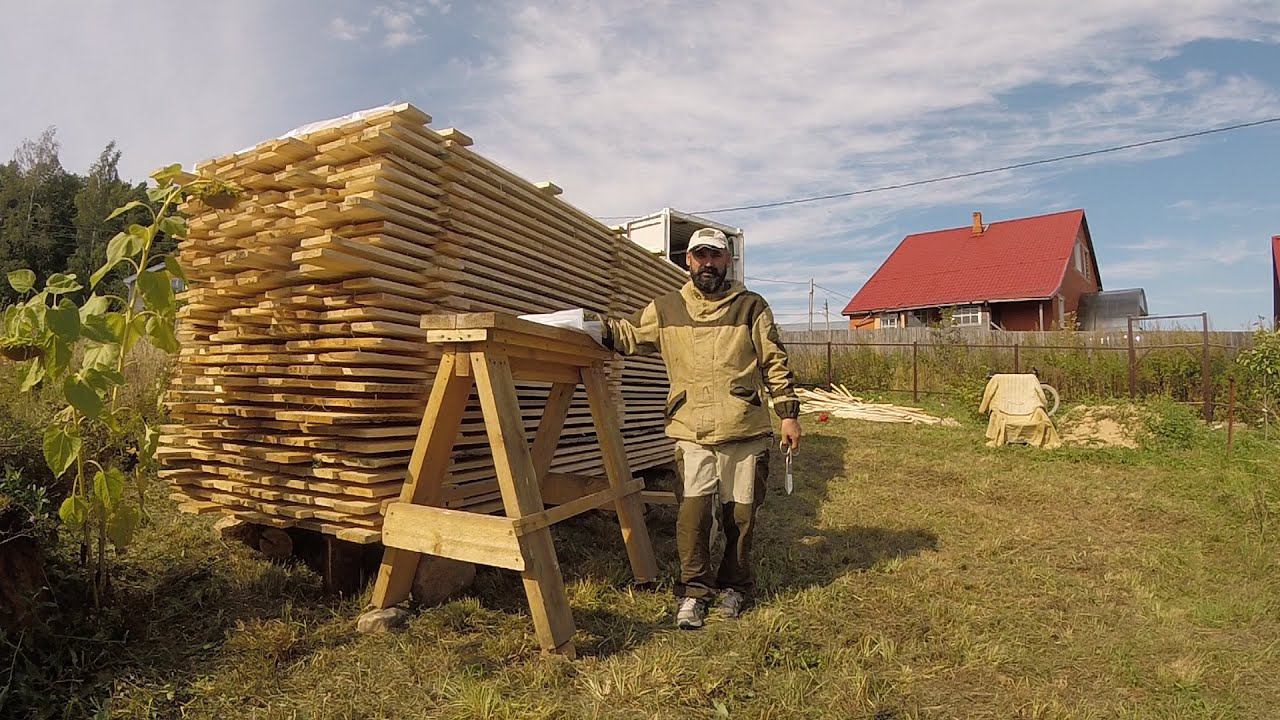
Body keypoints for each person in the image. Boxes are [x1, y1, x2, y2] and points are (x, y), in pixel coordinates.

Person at [599, 227, 801, 629]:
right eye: (700, 256)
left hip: (743, 429)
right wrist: (587, 327)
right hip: (690, 430)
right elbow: (626, 334)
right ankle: (694, 592)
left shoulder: (751, 307)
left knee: (740, 518)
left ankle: (735, 587)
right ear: (688, 261)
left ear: (727, 261)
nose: (708, 264)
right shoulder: (666, 309)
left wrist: (788, 413)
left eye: (715, 256)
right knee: (692, 519)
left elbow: (774, 361)